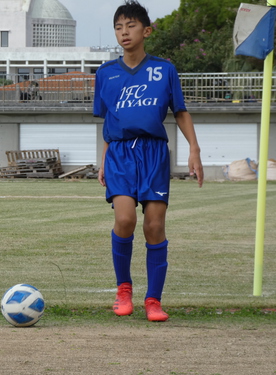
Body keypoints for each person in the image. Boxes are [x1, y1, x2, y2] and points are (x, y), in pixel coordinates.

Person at [93, 0, 203, 322]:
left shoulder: (164, 69)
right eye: (118, 27)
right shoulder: (106, 74)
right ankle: (123, 289)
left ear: (146, 30)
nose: (124, 32)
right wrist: (103, 160)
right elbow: (108, 122)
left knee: (154, 225)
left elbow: (180, 112)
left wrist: (194, 149)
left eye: (130, 26)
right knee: (125, 220)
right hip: (120, 154)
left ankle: (153, 300)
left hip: (154, 153)